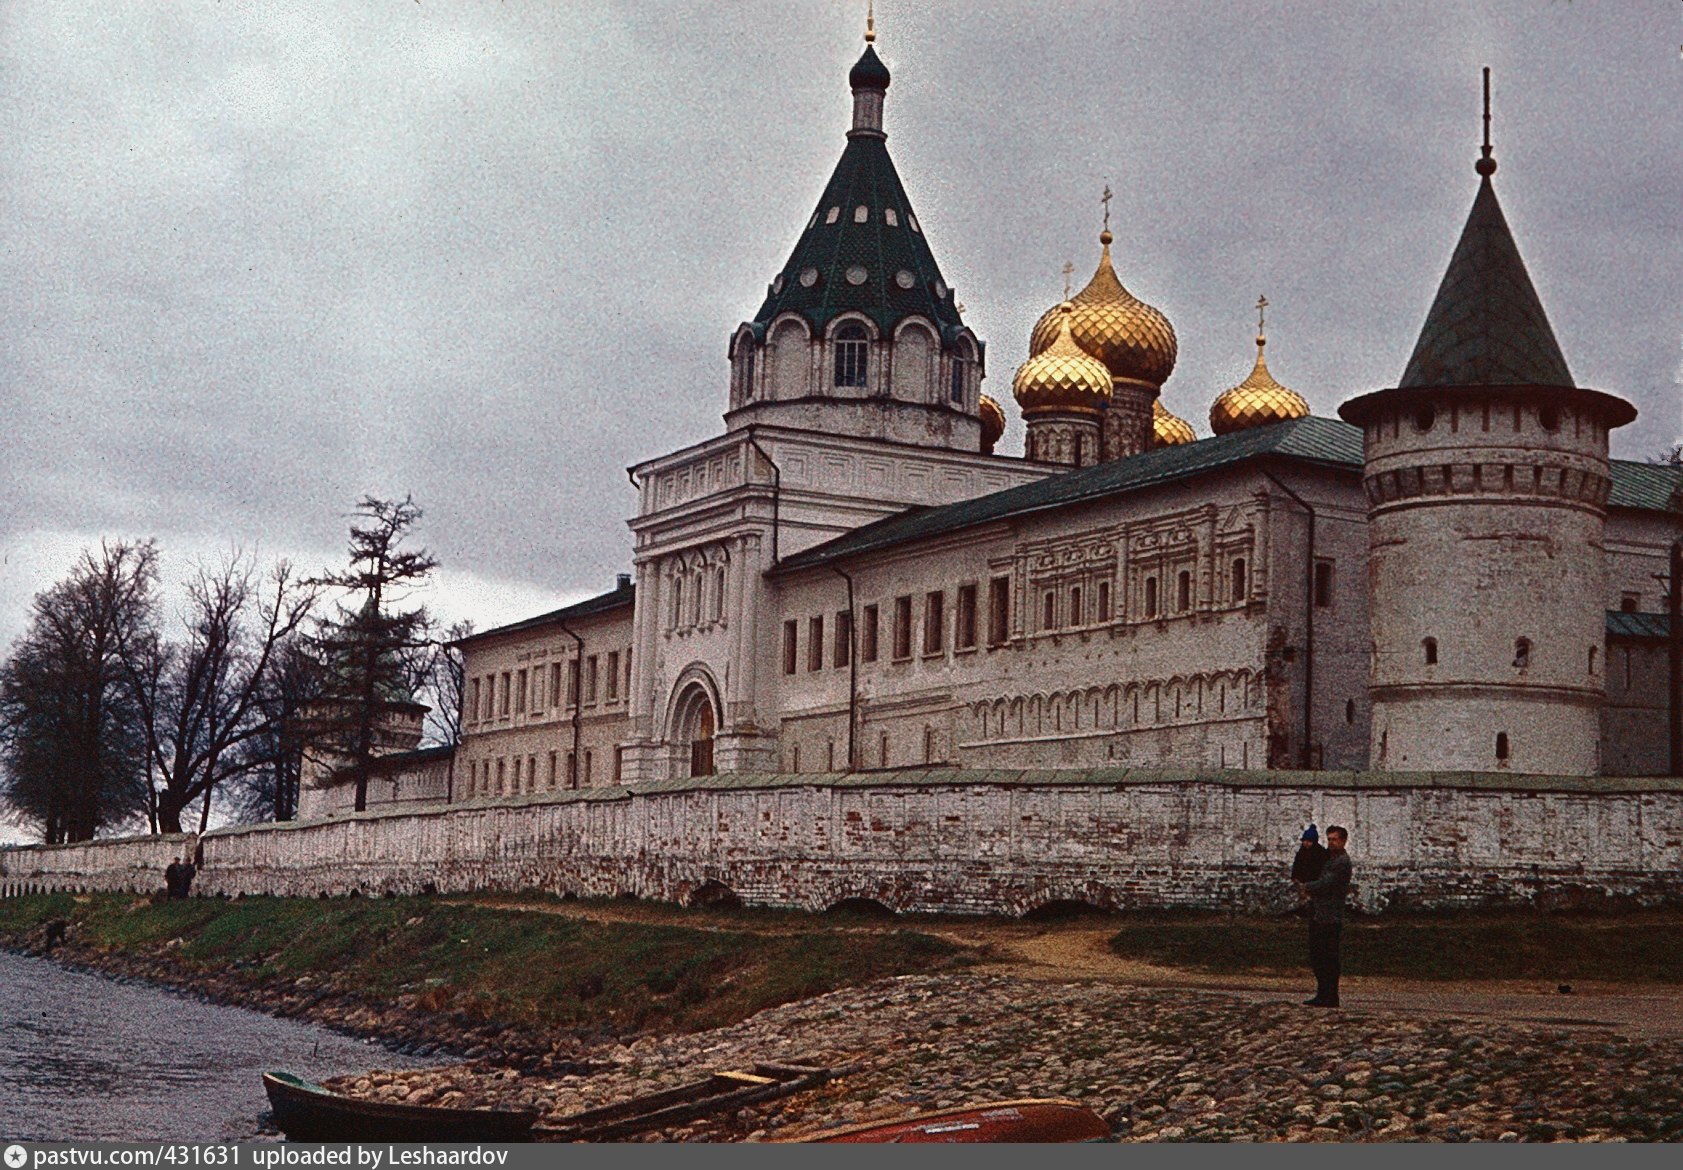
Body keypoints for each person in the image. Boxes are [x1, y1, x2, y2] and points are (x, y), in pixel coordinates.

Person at [1299, 824, 1352, 1007]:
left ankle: (1330, 995)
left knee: (1328, 957)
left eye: (1334, 839)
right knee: (1318, 956)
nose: (1331, 843)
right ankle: (1323, 994)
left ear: (1344, 841)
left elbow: (1327, 883)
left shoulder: (1342, 862)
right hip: (1320, 913)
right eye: (1329, 839)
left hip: (1330, 916)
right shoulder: (1330, 859)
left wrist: (1307, 887)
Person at [1291, 824, 1327, 888]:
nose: (1306, 843)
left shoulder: (1320, 853)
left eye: (1309, 841)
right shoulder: (1301, 852)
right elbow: (1296, 866)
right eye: (1304, 840)